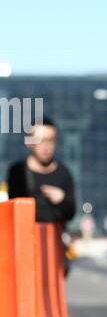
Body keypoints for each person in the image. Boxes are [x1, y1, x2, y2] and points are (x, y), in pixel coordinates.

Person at [6, 117, 77, 275]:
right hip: (25, 251)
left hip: (54, 252)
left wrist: (61, 199)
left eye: (50, 140)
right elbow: (14, 210)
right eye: (40, 140)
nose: (46, 145)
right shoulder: (18, 171)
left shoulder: (64, 173)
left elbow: (71, 211)